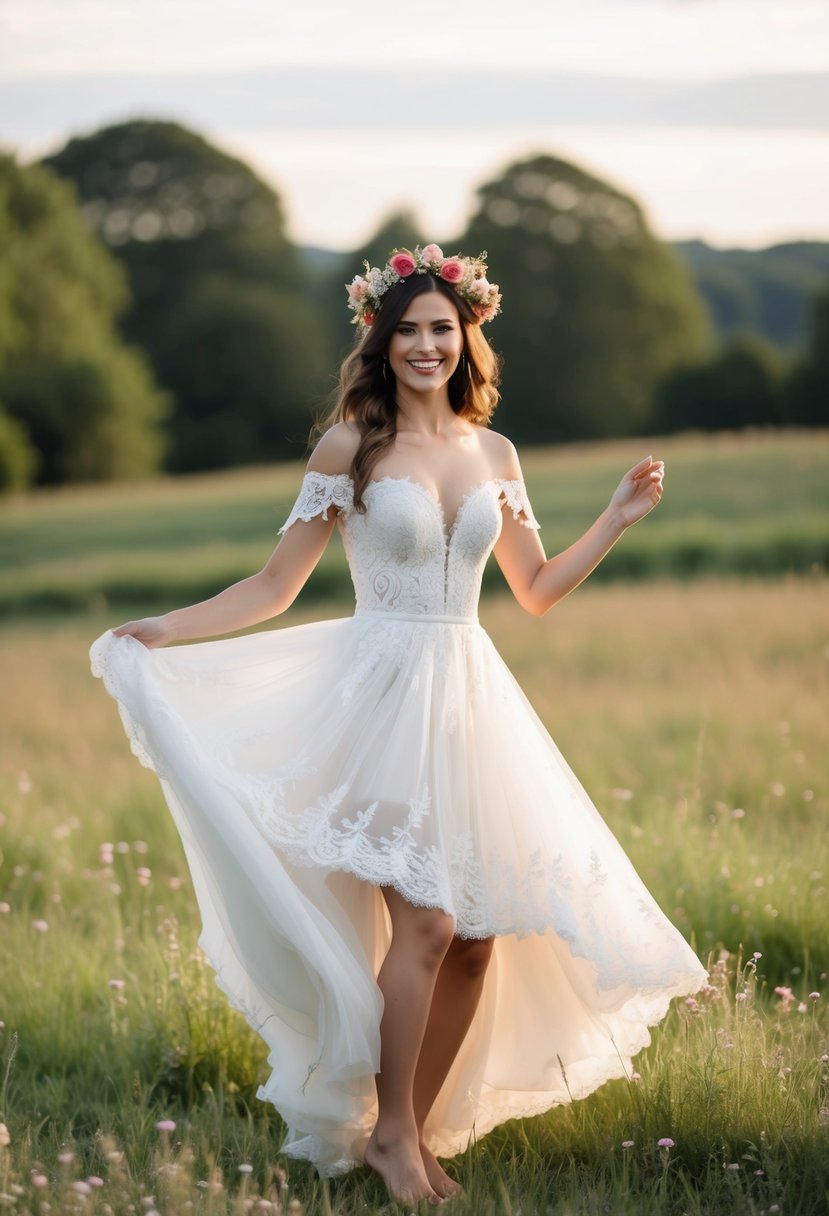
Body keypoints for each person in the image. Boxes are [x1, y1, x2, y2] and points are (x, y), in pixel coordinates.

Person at [91, 244, 707, 1207]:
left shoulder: (492, 453)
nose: (426, 346)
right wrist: (164, 629)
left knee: (476, 937)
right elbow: (274, 583)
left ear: (468, 337)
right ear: (380, 340)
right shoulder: (351, 447)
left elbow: (535, 592)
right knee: (426, 922)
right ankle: (393, 1140)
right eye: (408, 331)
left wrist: (617, 518)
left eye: (442, 330)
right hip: (376, 704)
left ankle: (404, 1135)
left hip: (469, 704)